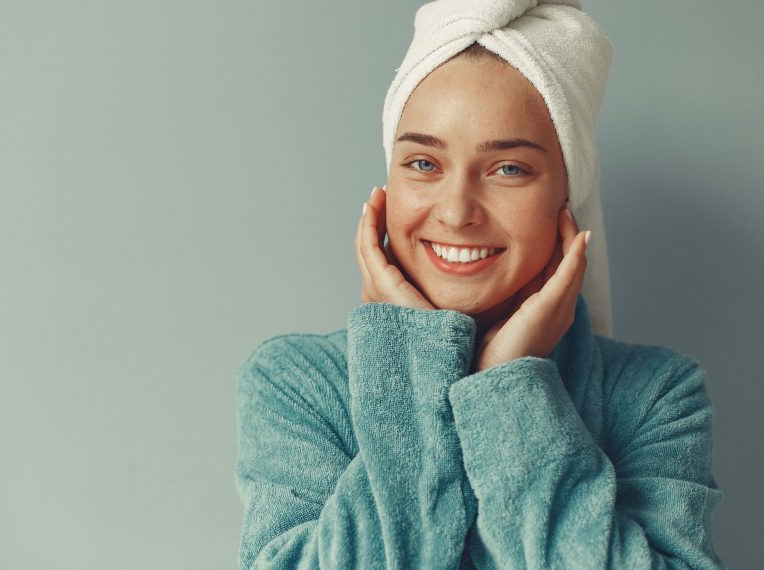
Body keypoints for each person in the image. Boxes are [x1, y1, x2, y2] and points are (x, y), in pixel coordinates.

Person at [234, 1, 725, 568]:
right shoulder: (299, 384)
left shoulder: (655, 395)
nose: (457, 211)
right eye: (423, 163)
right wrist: (409, 359)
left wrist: (510, 389)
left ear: (569, 199)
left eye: (508, 169)